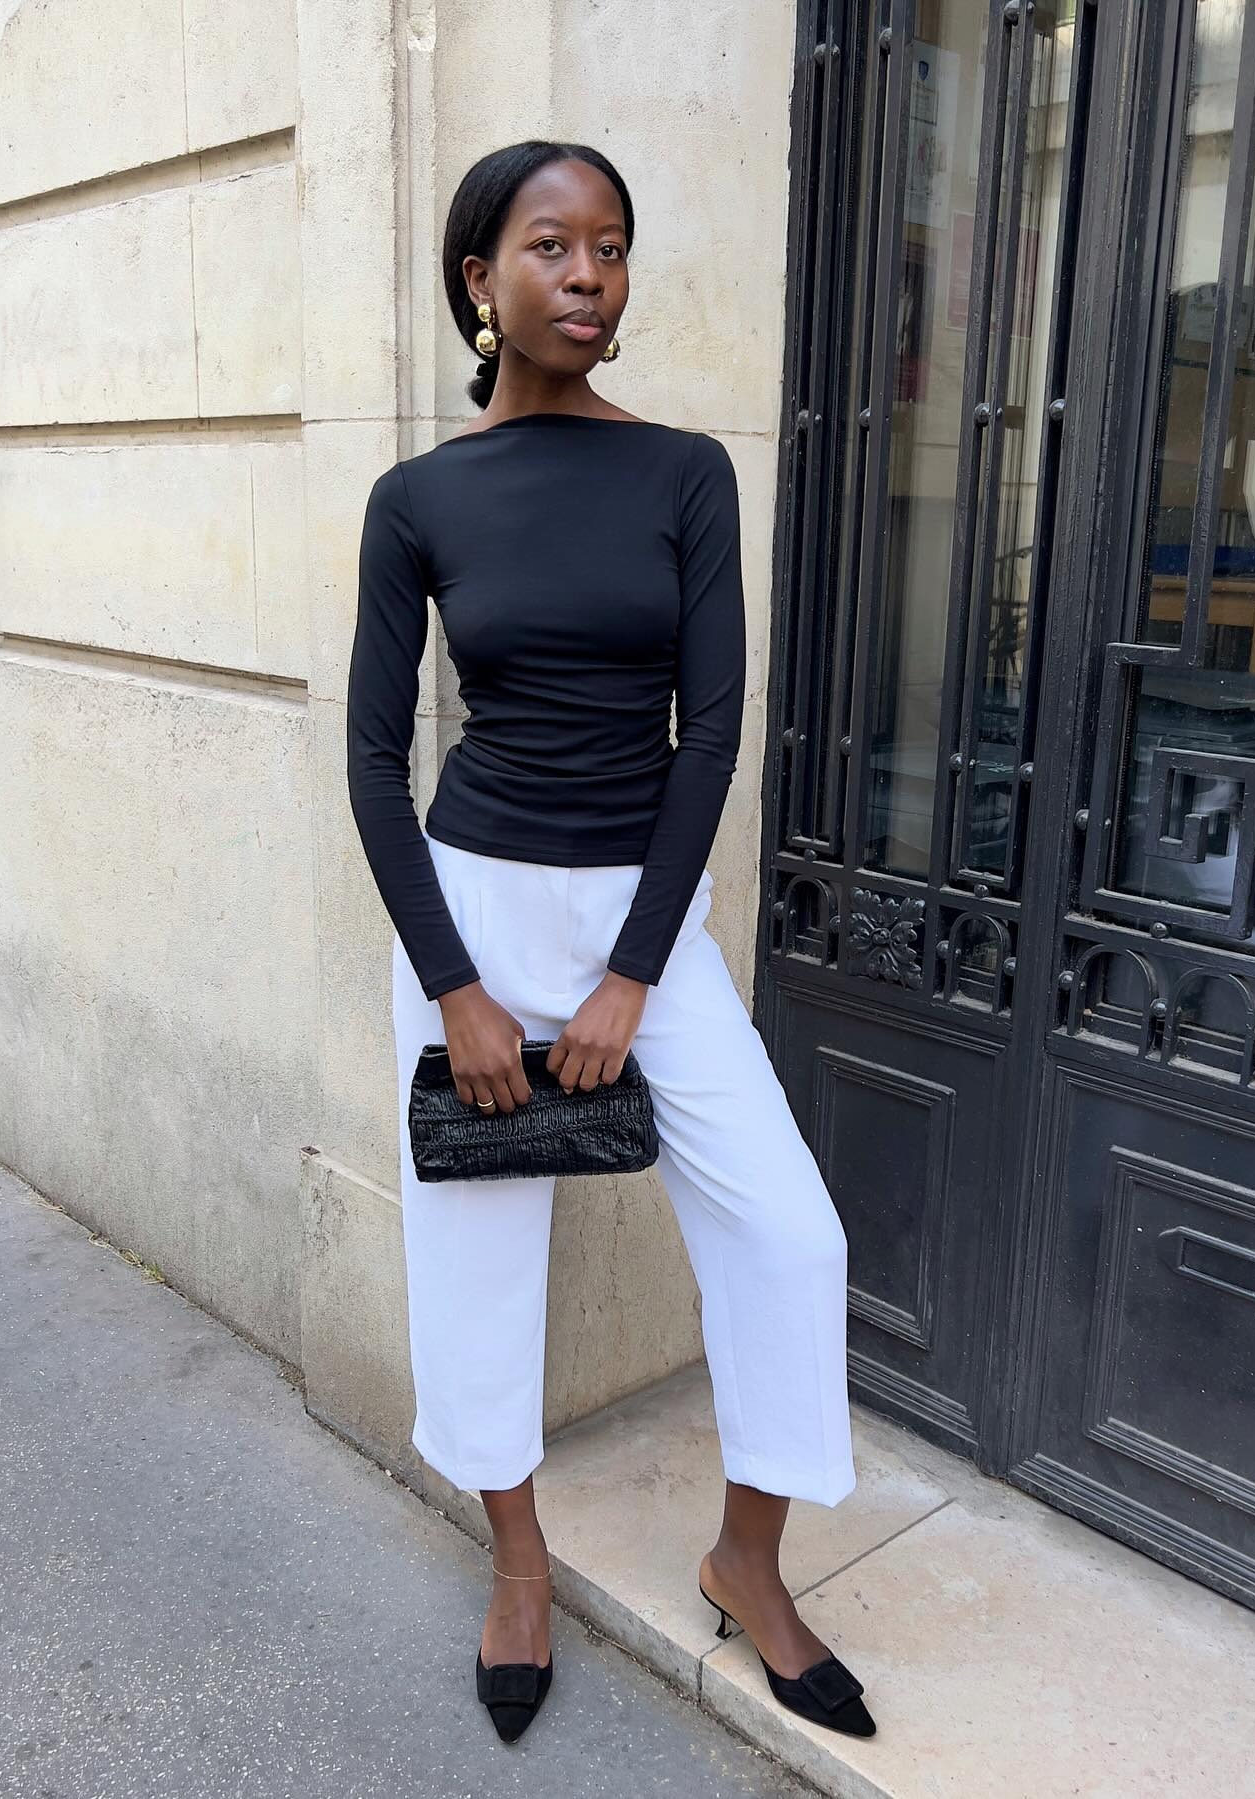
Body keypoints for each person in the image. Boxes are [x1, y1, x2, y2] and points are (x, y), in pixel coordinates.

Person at [347, 139, 873, 1745]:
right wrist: (460, 987)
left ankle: (748, 1560)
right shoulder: (419, 497)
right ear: (479, 281)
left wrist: (637, 974)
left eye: (613, 249)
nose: (590, 276)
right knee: (480, 1265)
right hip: (476, 912)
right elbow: (373, 760)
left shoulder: (685, 474)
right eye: (554, 247)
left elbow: (709, 736)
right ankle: (519, 1562)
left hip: (644, 924)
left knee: (792, 1239)